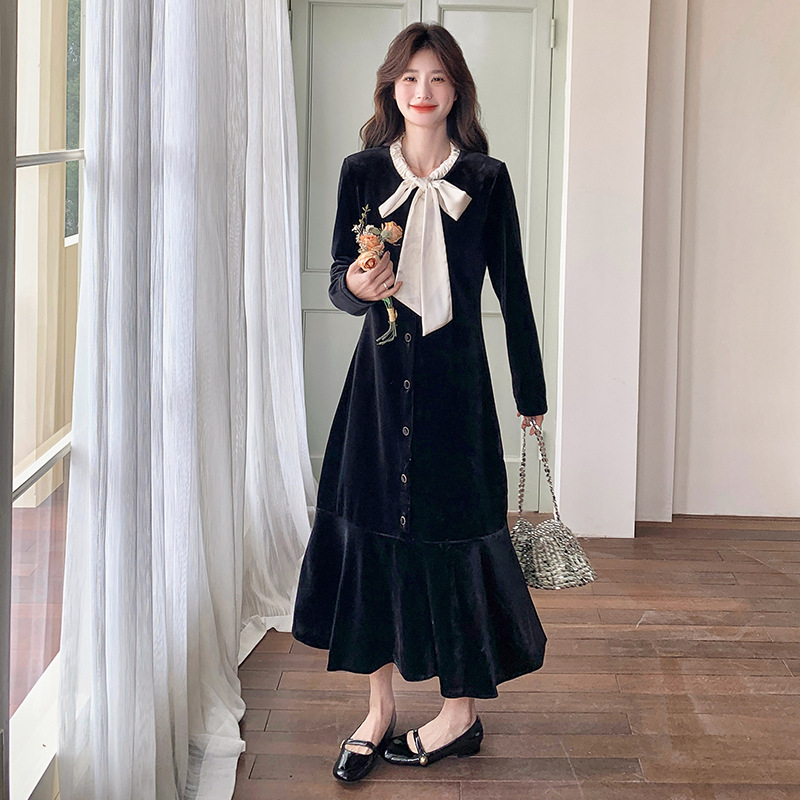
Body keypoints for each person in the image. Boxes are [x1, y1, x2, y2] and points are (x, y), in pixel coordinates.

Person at [291, 21, 548, 783]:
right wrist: (355, 285)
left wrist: (530, 392)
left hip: (457, 389)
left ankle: (459, 715)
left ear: (456, 89)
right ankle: (378, 711)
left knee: (457, 538)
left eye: (437, 78)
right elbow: (342, 278)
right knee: (373, 536)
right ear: (392, 88)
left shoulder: (488, 179)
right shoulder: (362, 172)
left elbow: (514, 291)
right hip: (376, 388)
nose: (423, 91)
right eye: (410, 77)